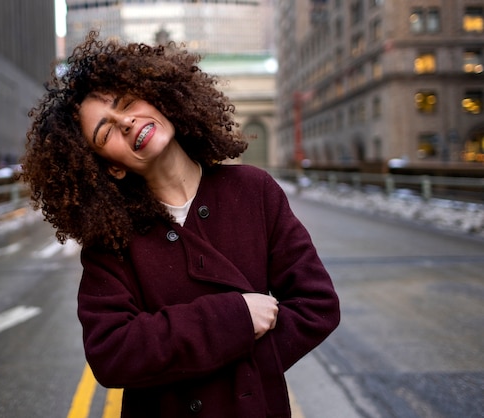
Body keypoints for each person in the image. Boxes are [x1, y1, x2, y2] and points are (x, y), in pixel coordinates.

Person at [21, 31, 340, 418]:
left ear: (159, 98)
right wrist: (234, 320)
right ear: (112, 167)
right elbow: (111, 353)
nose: (126, 122)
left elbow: (316, 304)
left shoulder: (254, 190)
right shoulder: (111, 240)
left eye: (126, 102)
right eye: (105, 132)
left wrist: (244, 376)